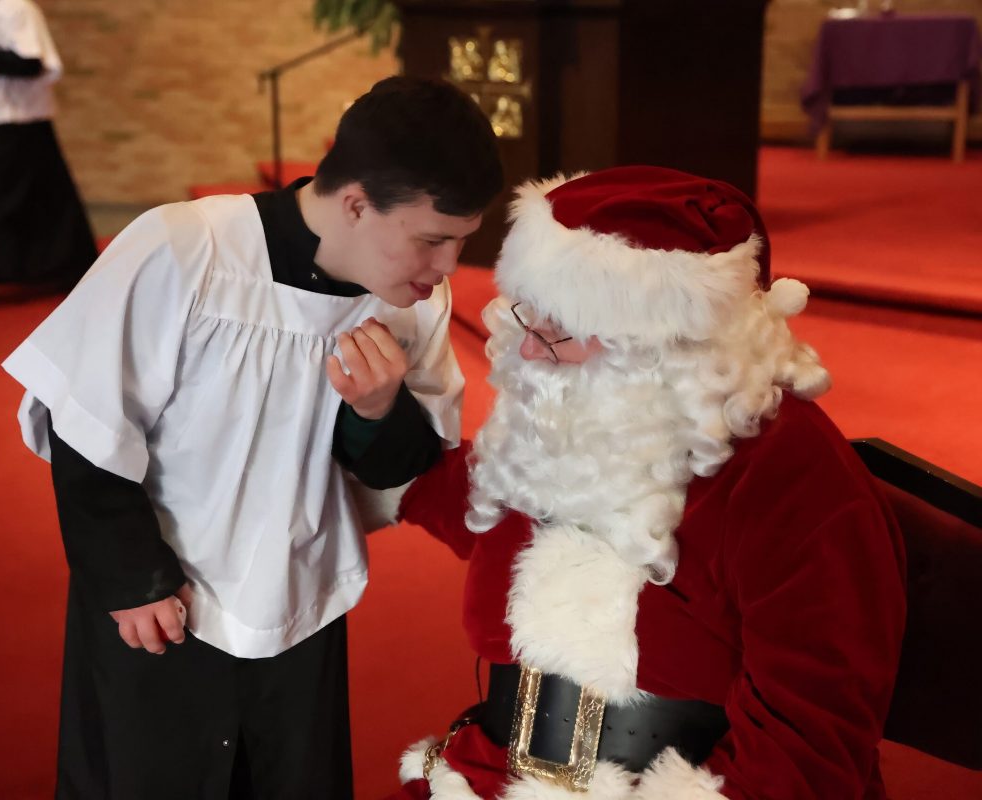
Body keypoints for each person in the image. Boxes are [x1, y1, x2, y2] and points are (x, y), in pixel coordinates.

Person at [1, 75, 503, 799]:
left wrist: (378, 410)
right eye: (433, 240)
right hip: (162, 600)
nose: (449, 267)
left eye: (461, 243)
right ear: (357, 203)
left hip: (301, 600)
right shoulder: (188, 251)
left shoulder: (411, 303)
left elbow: (408, 469)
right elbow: (85, 417)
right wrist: (132, 579)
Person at [376, 166, 906, 799]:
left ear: (661, 344)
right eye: (528, 319)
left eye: (558, 330)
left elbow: (810, 739)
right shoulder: (569, 417)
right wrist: (375, 416)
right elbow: (471, 505)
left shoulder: (791, 474)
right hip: (497, 770)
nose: (527, 351)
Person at [0, 0, 97, 305]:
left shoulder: (17, 8)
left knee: (2, 193)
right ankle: (73, 262)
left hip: (23, 116)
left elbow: (31, 63)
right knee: (48, 191)